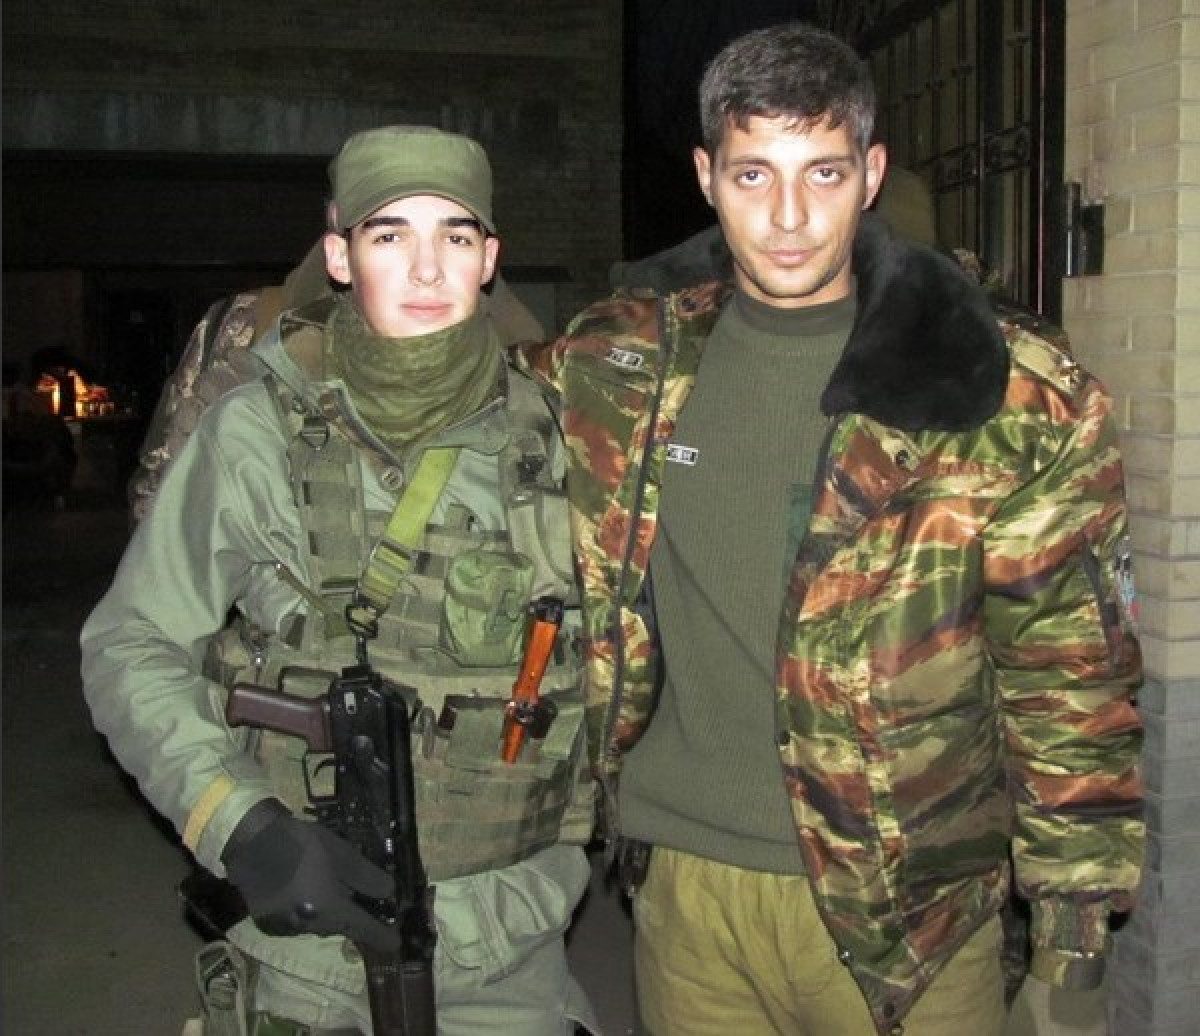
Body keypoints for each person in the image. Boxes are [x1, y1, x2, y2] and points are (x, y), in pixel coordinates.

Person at [526, 22, 1143, 1036]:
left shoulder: (1006, 393)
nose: (789, 216)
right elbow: (454, 389)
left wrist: (1072, 946)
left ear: (871, 174)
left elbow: (1068, 676)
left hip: (917, 915)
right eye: (753, 175)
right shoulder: (621, 367)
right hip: (688, 898)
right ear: (706, 178)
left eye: (822, 171)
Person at [82, 124, 598, 1036]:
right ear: (338, 255)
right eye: (389, 234)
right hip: (305, 956)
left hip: (509, 941)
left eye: (456, 235)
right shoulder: (255, 433)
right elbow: (132, 643)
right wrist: (240, 825)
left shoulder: (569, 436)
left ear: (489, 260)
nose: (427, 268)